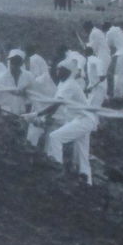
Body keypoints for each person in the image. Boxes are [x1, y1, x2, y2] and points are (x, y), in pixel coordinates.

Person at [42, 55, 100, 184]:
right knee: (82, 155)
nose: (57, 72)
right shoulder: (63, 84)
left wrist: (39, 114)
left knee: (54, 137)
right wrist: (47, 117)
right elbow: (56, 105)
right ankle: (88, 184)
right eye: (57, 69)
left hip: (84, 120)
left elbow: (57, 104)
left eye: (59, 69)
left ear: (67, 71)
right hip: (82, 120)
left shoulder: (69, 84)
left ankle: (57, 168)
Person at [0, 49, 31, 115]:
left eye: (17, 61)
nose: (14, 64)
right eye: (12, 61)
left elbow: (31, 97)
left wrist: (27, 111)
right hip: (5, 116)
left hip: (22, 115)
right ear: (9, 61)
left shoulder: (29, 77)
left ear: (21, 63)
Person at [104, 20, 123, 102]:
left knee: (118, 74)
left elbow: (106, 46)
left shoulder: (109, 33)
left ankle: (117, 96)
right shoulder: (118, 29)